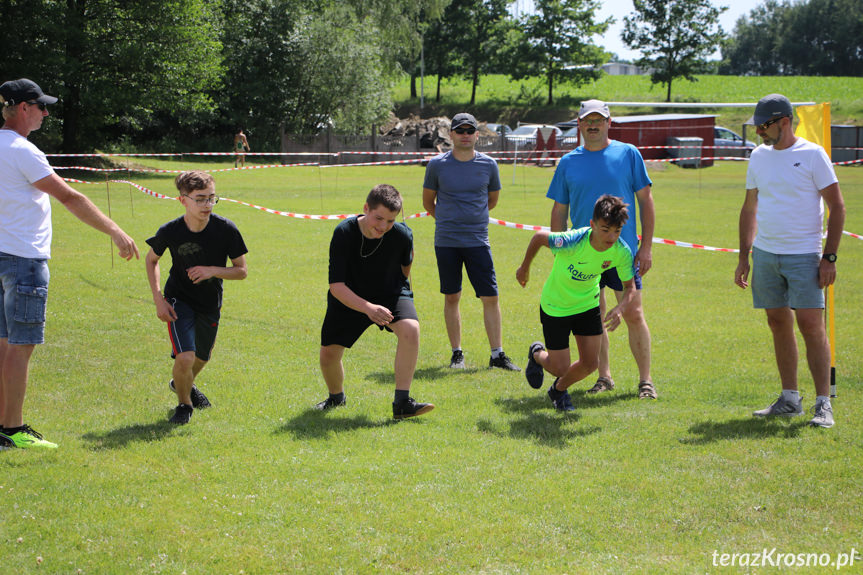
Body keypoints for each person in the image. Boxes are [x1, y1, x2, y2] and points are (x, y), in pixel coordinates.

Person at [0, 78, 139, 449]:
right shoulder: (23, 151)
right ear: (23, 108)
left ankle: (3, 425)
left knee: (4, 343)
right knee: (21, 345)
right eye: (41, 106)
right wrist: (115, 231)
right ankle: (12, 430)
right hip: (23, 259)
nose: (46, 113)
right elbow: (69, 197)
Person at [734, 93, 845, 429]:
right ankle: (789, 399)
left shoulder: (813, 155)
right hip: (766, 254)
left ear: (784, 121)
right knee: (776, 323)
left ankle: (823, 403)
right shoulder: (758, 157)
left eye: (763, 126)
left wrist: (829, 258)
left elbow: (838, 207)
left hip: (806, 255)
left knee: (812, 327)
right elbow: (749, 208)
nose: (759, 134)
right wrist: (744, 256)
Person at [546, 99, 657, 400]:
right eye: (587, 120)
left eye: (599, 120)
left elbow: (646, 201)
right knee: (594, 317)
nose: (593, 125)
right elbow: (559, 209)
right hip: (583, 255)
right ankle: (604, 377)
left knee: (633, 312)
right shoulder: (568, 161)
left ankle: (645, 381)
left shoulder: (628, 154)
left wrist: (645, 247)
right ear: (579, 124)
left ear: (609, 122)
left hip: (622, 252)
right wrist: (559, 249)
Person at [316, 184, 433, 419]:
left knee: (411, 329)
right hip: (349, 296)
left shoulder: (402, 235)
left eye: (390, 221)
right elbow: (336, 286)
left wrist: (391, 292)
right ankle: (336, 397)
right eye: (378, 218)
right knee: (328, 355)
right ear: (366, 208)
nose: (383, 226)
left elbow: (405, 267)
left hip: (389, 293)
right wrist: (368, 307)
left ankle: (402, 403)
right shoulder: (344, 233)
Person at [145, 171, 248, 425]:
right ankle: (184, 405)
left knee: (201, 358)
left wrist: (212, 270)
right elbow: (151, 260)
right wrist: (159, 299)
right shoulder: (170, 231)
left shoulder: (226, 229)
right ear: (183, 201)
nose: (207, 205)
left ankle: (181, 384)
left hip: (210, 303)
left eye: (212, 198)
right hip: (178, 299)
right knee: (186, 357)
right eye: (200, 199)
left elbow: (241, 271)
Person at [517, 195, 636, 411]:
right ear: (592, 225)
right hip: (556, 306)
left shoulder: (621, 251)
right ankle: (536, 354)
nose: (611, 237)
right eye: (605, 229)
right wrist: (524, 268)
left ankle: (558, 391)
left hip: (587, 306)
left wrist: (620, 309)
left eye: (617, 231)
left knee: (591, 364)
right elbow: (538, 238)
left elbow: (630, 287)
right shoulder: (574, 240)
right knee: (560, 367)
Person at [422, 112, 520, 372]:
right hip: (447, 241)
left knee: (490, 296)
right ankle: (457, 354)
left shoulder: (488, 165)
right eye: (460, 130)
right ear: (451, 134)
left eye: (469, 131)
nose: (465, 135)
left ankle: (497, 354)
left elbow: (492, 200)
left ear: (477, 135)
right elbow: (427, 202)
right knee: (452, 296)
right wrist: (448, 219)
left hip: (478, 241)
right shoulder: (437, 165)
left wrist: (472, 220)